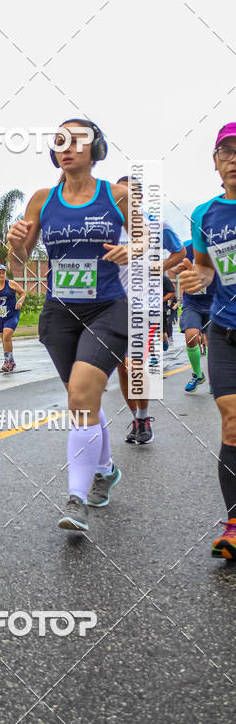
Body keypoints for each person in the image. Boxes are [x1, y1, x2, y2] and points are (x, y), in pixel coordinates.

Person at [7, 119, 132, 533]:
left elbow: (149, 242)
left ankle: (76, 500)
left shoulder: (117, 195)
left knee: (80, 397)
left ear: (95, 148)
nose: (68, 147)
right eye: (60, 140)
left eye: (77, 140)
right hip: (60, 314)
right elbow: (20, 263)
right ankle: (106, 470)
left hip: (107, 310)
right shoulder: (42, 200)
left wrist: (132, 249)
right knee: (84, 402)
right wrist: (14, 244)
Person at [179, 122, 236, 559]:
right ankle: (234, 523)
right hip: (225, 329)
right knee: (231, 416)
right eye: (225, 151)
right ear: (215, 162)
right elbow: (205, 271)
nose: (233, 158)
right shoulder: (204, 215)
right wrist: (185, 275)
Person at [115, 176, 185, 444]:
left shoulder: (156, 224)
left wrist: (158, 268)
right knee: (122, 368)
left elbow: (179, 253)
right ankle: (137, 418)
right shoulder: (108, 226)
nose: (127, 197)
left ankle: (143, 419)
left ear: (141, 197)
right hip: (115, 306)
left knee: (134, 364)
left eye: (133, 193)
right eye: (121, 193)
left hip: (146, 306)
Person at [177, 239, 216, 392]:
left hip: (215, 303)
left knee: (212, 343)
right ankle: (198, 375)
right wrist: (178, 268)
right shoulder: (186, 246)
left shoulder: (219, 243)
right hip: (192, 302)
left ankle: (215, 379)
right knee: (191, 337)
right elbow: (175, 267)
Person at [0, 265, 26, 371]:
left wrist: (20, 302)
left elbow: (23, 293)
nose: (2, 274)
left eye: (3, 272)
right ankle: (10, 361)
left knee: (7, 335)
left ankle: (7, 362)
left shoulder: (11, 283)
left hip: (12, 315)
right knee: (4, 339)